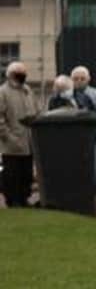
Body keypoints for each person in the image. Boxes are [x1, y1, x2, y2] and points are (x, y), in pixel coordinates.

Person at [65, 66, 96, 203]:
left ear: (88, 79)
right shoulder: (67, 94)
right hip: (75, 134)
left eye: (82, 78)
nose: (79, 81)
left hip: (94, 132)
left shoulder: (95, 93)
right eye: (76, 78)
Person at [0, 62, 38, 207]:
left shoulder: (28, 90)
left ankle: (24, 198)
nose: (23, 75)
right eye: (19, 72)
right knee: (12, 174)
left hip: (28, 140)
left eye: (24, 72)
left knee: (26, 173)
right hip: (11, 143)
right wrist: (8, 137)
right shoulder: (2, 92)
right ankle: (12, 199)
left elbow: (36, 108)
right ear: (10, 75)